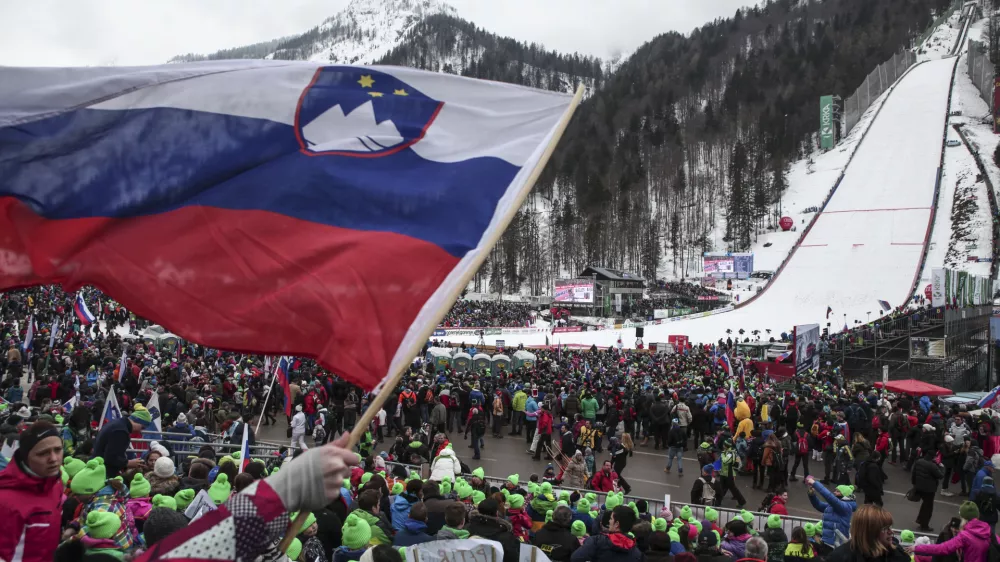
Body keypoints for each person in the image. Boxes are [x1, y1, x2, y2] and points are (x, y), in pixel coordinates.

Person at [0, 422, 64, 562]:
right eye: (43, 453)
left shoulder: (55, 483)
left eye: (58, 450)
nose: (53, 459)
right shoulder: (5, 502)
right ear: (26, 457)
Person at [909, 502, 996, 562]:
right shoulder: (989, 532)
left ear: (964, 518)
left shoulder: (965, 536)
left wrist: (918, 548)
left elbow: (942, 548)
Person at [825, 504, 909, 562]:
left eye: (890, 527)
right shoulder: (840, 557)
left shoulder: (897, 553)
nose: (891, 532)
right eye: (885, 529)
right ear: (869, 532)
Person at [92, 405, 153, 478]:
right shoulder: (121, 431)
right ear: (137, 420)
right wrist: (128, 463)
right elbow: (110, 457)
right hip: (103, 472)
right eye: (142, 427)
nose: (141, 431)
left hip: (98, 467)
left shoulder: (118, 424)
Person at [571, 505, 643, 561]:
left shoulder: (597, 541)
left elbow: (575, 558)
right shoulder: (637, 553)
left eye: (611, 519)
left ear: (616, 524)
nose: (609, 521)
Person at [805, 476, 856, 548]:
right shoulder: (833, 505)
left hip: (837, 545)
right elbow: (818, 505)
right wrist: (812, 495)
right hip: (827, 542)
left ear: (844, 494)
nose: (834, 492)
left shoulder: (846, 507)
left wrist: (815, 483)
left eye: (837, 491)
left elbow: (829, 496)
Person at [912, 449, 943, 532]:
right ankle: (924, 525)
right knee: (928, 507)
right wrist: (941, 467)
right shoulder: (932, 465)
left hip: (919, 486)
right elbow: (940, 476)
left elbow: (914, 473)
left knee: (924, 505)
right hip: (929, 489)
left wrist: (914, 484)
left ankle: (920, 520)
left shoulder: (919, 461)